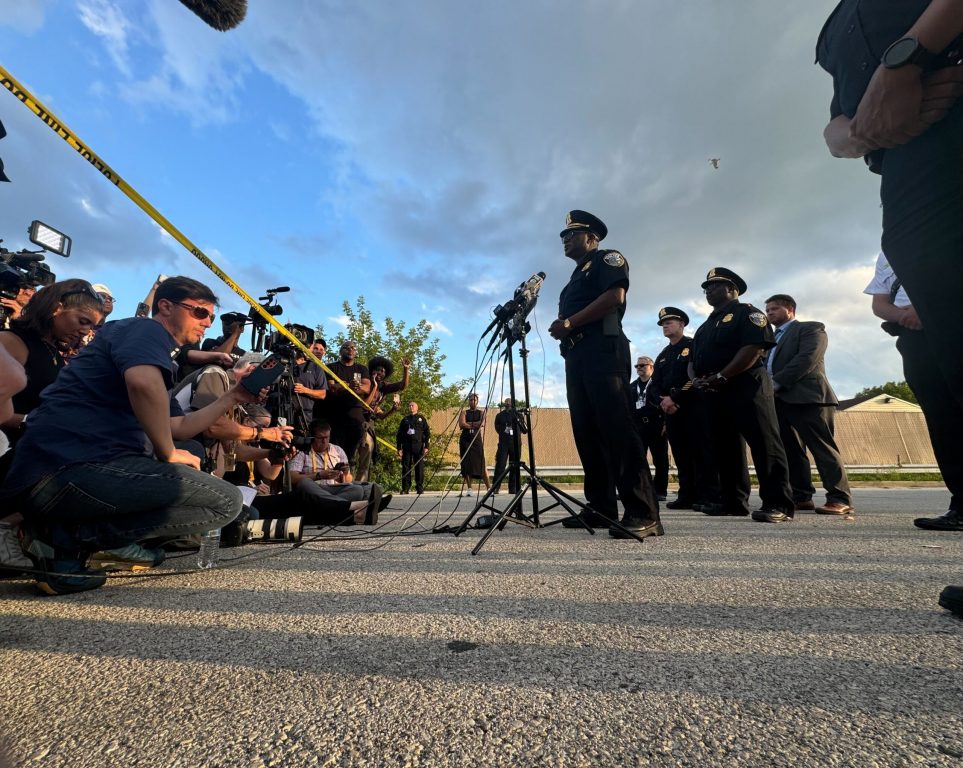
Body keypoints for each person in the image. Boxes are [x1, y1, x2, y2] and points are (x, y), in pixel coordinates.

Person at [816, 1, 963, 615]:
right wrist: (864, 129)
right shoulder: (833, 28)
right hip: (905, 160)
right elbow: (834, 128)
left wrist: (906, 60)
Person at [0, 276, 254, 594]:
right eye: (200, 313)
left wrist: (234, 396)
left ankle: (67, 545)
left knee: (223, 500)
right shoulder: (145, 331)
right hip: (68, 466)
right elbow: (142, 385)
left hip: (70, 471)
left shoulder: (155, 357)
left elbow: (180, 427)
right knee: (223, 502)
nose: (207, 324)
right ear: (165, 306)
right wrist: (167, 452)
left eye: (212, 317)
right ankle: (62, 539)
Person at [547, 210, 662, 539]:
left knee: (617, 427)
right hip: (578, 355)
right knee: (587, 431)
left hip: (603, 349)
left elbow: (614, 297)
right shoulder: (572, 279)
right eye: (563, 236)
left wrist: (569, 323)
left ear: (592, 238)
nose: (565, 240)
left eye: (572, 234)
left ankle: (643, 512)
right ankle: (600, 507)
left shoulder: (606, 259)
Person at [0, 280, 105, 571]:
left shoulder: (53, 353)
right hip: (15, 447)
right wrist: (30, 420)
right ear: (57, 308)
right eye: (82, 321)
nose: (86, 331)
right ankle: (4, 526)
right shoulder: (14, 342)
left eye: (92, 326)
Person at [864, 253, 962, 532]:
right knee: (942, 418)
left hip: (954, 322)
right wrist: (908, 315)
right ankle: (961, 504)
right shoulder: (889, 253)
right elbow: (880, 304)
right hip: (915, 335)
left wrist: (930, 310)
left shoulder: (947, 228)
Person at [689, 268, 794, 523]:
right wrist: (696, 380)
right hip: (714, 390)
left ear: (732, 289)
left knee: (764, 443)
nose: (708, 291)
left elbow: (752, 348)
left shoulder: (748, 314)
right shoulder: (706, 325)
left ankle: (777, 503)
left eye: (715, 286)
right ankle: (732, 501)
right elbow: (693, 359)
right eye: (706, 288)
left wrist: (723, 375)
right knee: (725, 447)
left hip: (746, 385)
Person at [765, 294, 854, 516]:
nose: (769, 313)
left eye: (774, 309)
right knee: (791, 451)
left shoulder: (811, 329)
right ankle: (801, 496)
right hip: (779, 401)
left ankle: (839, 498)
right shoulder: (770, 338)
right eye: (767, 310)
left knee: (822, 447)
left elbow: (807, 358)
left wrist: (776, 383)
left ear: (790, 310)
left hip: (809, 398)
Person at [650, 306, 717, 511]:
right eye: (662, 324)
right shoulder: (663, 354)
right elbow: (655, 383)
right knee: (680, 454)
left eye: (669, 322)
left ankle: (707, 495)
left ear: (681, 324)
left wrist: (675, 398)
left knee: (701, 451)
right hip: (672, 411)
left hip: (692, 407)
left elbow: (697, 375)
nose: (665, 326)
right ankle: (686, 494)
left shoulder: (692, 346)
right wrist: (663, 401)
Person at [358, 354, 409, 482]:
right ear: (372, 370)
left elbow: (402, 385)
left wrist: (406, 369)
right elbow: (364, 406)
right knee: (353, 457)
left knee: (367, 455)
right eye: (378, 370)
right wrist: (374, 386)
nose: (381, 372)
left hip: (369, 424)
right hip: (356, 420)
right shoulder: (366, 383)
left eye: (383, 371)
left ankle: (361, 485)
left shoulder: (383, 387)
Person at [324, 340, 371, 468]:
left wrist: (354, 387)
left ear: (356, 352)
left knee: (353, 449)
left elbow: (367, 388)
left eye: (353, 348)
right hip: (336, 413)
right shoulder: (331, 367)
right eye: (346, 347)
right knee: (336, 448)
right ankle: (334, 476)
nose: (350, 350)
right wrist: (347, 386)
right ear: (340, 351)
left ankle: (349, 473)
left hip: (355, 411)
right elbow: (332, 387)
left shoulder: (361, 369)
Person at [630, 356, 668, 501]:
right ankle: (640, 489)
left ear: (652, 367)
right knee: (638, 459)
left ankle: (660, 491)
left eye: (642, 365)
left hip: (656, 424)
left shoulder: (659, 384)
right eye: (637, 366)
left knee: (660, 459)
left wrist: (666, 423)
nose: (639, 368)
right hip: (639, 425)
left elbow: (666, 403)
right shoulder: (633, 386)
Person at [491, 397, 528, 495]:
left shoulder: (518, 415)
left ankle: (513, 488)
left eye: (509, 403)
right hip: (503, 443)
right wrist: (504, 434)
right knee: (500, 465)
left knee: (515, 466)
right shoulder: (499, 416)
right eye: (506, 402)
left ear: (513, 404)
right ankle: (495, 487)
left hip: (516, 443)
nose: (508, 404)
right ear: (504, 404)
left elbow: (524, 430)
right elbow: (497, 427)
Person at [292, 337, 328, 433]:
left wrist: (304, 390)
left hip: (303, 416)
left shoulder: (316, 368)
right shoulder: (284, 362)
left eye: (309, 345)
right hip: (279, 411)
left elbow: (322, 394)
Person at [458, 392, 489, 496]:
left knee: (481, 462)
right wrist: (474, 424)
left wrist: (469, 424)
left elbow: (481, 424)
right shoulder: (464, 412)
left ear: (477, 401)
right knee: (466, 463)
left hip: (476, 439)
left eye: (474, 400)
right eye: (471, 400)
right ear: (468, 401)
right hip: (465, 439)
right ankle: (470, 488)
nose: (472, 402)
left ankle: (489, 488)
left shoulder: (481, 412)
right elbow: (461, 424)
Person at [396, 400, 430, 494]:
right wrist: (399, 448)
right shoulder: (405, 419)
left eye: (413, 405)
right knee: (406, 467)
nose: (411, 407)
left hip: (418, 446)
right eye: (409, 405)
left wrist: (426, 446)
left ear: (417, 407)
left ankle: (419, 487)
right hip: (406, 446)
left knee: (419, 467)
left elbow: (427, 433)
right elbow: (399, 435)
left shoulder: (421, 419)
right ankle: (405, 488)